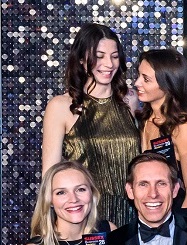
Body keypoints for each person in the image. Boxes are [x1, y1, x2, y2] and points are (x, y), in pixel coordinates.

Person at [41, 23, 139, 226]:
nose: (109, 64)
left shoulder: (130, 100)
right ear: (81, 60)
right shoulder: (60, 106)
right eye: (99, 56)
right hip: (85, 215)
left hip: (131, 212)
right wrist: (49, 227)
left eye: (114, 56)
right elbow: (50, 175)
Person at [135, 49, 187, 208]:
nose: (137, 83)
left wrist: (179, 222)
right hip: (149, 209)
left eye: (146, 79)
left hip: (176, 212)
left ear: (168, 84)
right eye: (138, 75)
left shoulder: (183, 126)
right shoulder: (144, 120)